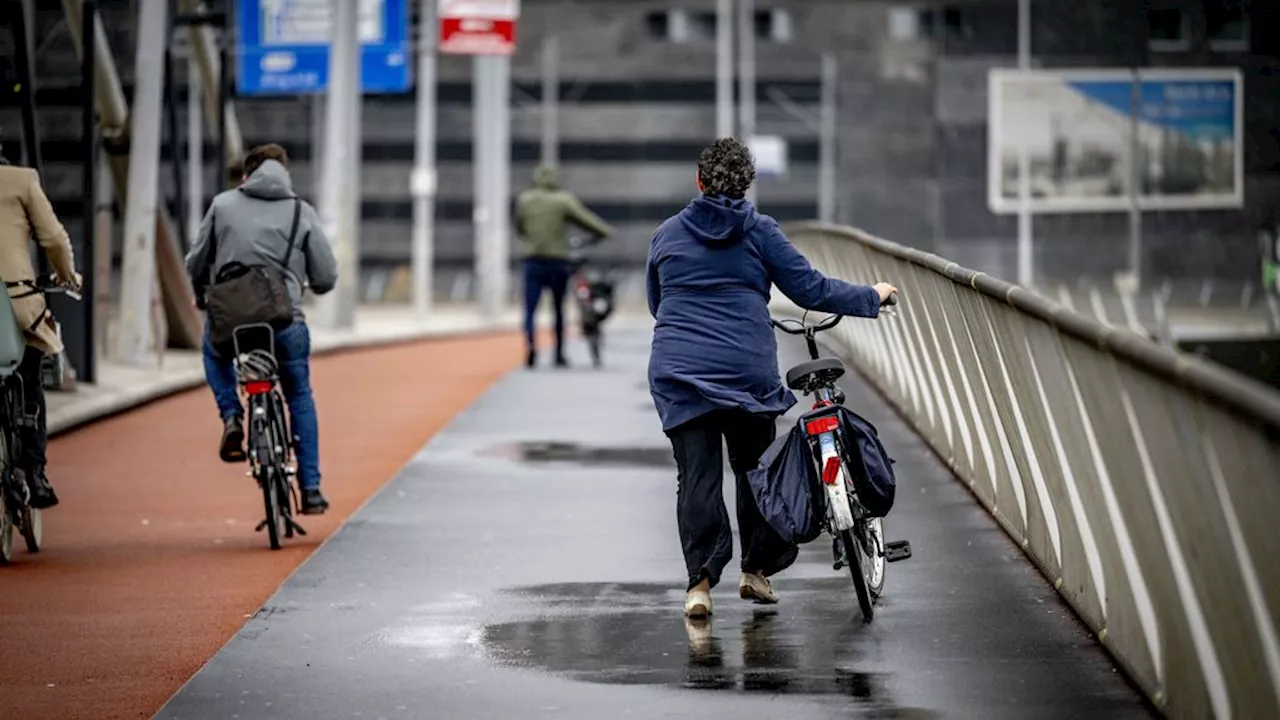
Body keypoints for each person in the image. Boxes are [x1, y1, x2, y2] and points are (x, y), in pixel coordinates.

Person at [646, 138, 898, 619]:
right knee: (754, 471)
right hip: (746, 370)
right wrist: (872, 295)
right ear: (747, 186)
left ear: (699, 182)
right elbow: (810, 289)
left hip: (680, 370)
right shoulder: (761, 232)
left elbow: (657, 302)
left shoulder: (667, 234)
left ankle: (698, 586)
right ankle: (755, 571)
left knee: (696, 477)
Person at [186, 143, 338, 515]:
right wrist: (312, 284)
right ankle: (312, 489)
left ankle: (232, 415)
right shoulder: (302, 211)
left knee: (213, 352)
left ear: (245, 176)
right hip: (284, 322)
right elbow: (326, 275)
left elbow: (196, 262)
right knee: (299, 395)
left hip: (232, 323)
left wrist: (203, 295)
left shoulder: (222, 206)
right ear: (285, 174)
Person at [0, 151, 82, 509]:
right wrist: (67, 277)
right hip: (17, 301)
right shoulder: (21, 180)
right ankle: (35, 472)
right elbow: (53, 239)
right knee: (30, 375)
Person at [515, 164, 615, 368]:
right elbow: (587, 221)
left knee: (530, 308)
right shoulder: (563, 200)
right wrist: (603, 233)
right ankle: (559, 353)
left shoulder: (524, 200)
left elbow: (520, 227)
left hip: (532, 260)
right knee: (558, 308)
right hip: (557, 261)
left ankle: (531, 347)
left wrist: (532, 239)